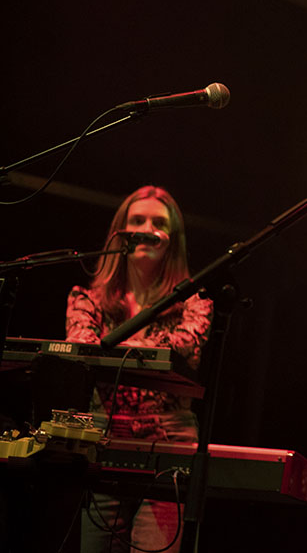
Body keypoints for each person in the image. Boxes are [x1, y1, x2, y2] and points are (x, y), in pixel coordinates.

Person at [66, 185, 212, 553]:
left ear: (173, 240)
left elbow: (177, 349)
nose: (147, 229)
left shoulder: (196, 303)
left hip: (170, 454)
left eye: (158, 223)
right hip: (103, 449)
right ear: (120, 231)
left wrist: (112, 348)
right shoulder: (86, 300)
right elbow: (82, 348)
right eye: (138, 220)